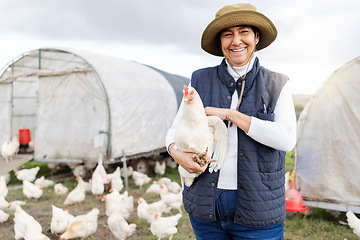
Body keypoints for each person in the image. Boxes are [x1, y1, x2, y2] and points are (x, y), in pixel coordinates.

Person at [166, 3, 296, 240]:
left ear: (256, 37)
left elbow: (287, 139)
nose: (236, 41)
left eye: (243, 31)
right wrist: (175, 152)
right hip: (206, 203)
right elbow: (175, 129)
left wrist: (230, 115)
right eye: (228, 34)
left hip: (258, 207)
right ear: (220, 42)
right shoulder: (200, 79)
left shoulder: (277, 83)